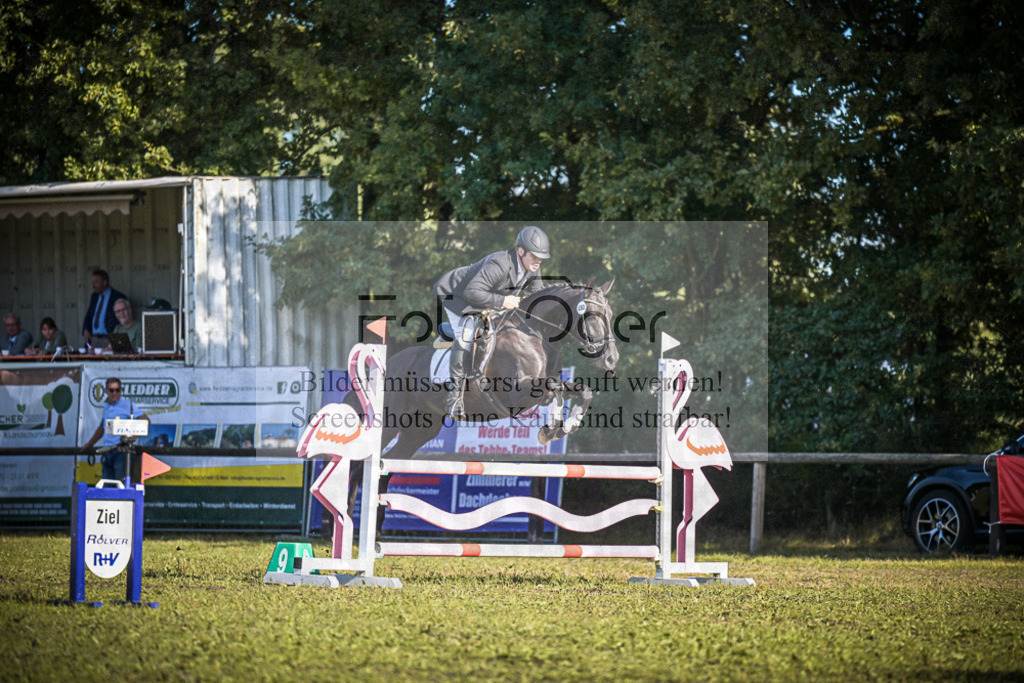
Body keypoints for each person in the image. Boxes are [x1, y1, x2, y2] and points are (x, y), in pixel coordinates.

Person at [433, 226, 551, 419]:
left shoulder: (532, 268)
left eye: (541, 257)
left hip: (483, 297)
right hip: (455, 295)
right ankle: (454, 396)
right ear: (520, 251)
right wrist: (503, 301)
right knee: (467, 334)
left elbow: (535, 299)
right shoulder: (500, 263)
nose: (538, 261)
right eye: (535, 256)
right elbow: (471, 293)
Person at [81, 377, 149, 482]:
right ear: (106, 391)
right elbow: (102, 428)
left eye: (117, 390)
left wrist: (129, 440)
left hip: (121, 453)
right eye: (111, 390)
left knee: (121, 488)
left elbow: (146, 421)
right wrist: (89, 444)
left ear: (121, 391)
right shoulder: (106, 407)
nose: (115, 393)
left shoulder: (127, 405)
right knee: (108, 490)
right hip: (107, 452)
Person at [82, 269, 126, 350]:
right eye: (92, 282)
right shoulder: (94, 296)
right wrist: (86, 329)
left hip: (109, 339)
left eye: (96, 282)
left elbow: (123, 321)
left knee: (107, 360)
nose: (93, 285)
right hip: (94, 339)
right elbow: (89, 316)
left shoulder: (117, 297)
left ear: (105, 282)